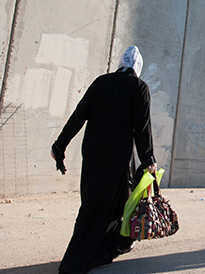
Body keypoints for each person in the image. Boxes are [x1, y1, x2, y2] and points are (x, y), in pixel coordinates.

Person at [50, 46, 157, 274]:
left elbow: (79, 115)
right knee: (109, 207)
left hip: (92, 155)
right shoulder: (139, 88)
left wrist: (60, 145)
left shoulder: (101, 82)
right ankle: (78, 261)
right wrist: (148, 159)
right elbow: (143, 129)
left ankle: (101, 251)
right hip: (116, 159)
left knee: (94, 204)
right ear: (138, 68)